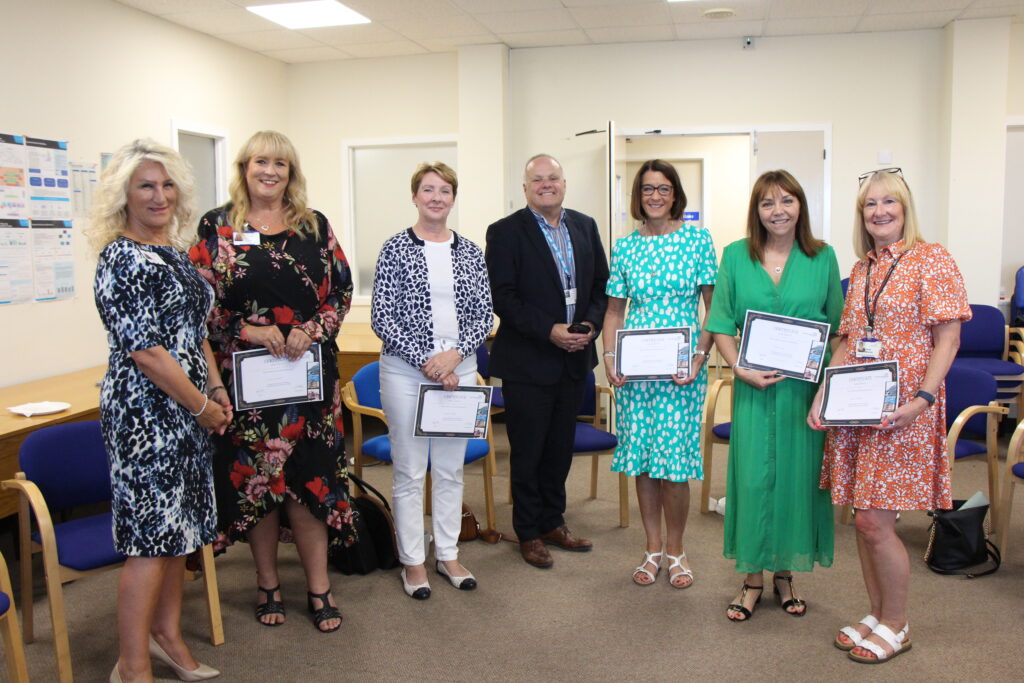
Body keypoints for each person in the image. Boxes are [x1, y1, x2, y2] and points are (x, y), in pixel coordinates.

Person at [188, 130, 355, 634]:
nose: (270, 171)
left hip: (308, 384)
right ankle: (267, 585)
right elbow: (201, 302)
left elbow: (341, 291)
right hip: (247, 385)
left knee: (309, 482)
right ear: (244, 167)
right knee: (259, 487)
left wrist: (311, 329)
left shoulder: (314, 225)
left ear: (291, 172)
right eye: (261, 161)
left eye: (281, 164)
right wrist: (249, 330)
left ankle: (319, 587)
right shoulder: (218, 227)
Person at [808, 168, 969, 663]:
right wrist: (822, 397)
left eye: (888, 202)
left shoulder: (931, 259)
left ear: (905, 208)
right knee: (863, 521)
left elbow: (949, 338)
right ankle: (876, 614)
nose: (879, 212)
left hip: (904, 412)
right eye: (869, 205)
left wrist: (921, 399)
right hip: (858, 411)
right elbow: (849, 342)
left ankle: (897, 625)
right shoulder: (862, 270)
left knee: (878, 523)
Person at [88, 139, 229, 682]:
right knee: (151, 540)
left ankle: (168, 637)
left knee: (180, 534)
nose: (159, 195)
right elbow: (146, 350)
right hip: (147, 418)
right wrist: (199, 406)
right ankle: (133, 664)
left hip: (190, 411)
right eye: (146, 185)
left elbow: (195, 335)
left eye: (167, 185)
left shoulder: (172, 252)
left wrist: (215, 390)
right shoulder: (121, 257)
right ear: (123, 194)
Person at [707, 170, 843, 621]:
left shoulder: (823, 258)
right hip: (753, 390)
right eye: (768, 203)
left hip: (804, 392)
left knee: (797, 480)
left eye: (786, 201)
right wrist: (739, 369)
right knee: (751, 480)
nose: (778, 210)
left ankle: (785, 574)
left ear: (800, 206)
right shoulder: (734, 256)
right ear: (757, 211)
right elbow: (722, 323)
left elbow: (838, 328)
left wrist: (825, 382)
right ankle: (751, 579)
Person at [371, 162, 493, 599]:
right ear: (415, 196)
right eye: (428, 189)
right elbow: (381, 317)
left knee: (448, 468)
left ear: (453, 198)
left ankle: (447, 553)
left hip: (459, 371)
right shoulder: (394, 248)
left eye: (444, 190)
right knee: (408, 470)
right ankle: (413, 562)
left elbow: (484, 314)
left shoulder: (470, 251)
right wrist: (428, 360)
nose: (436, 197)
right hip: (407, 371)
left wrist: (456, 356)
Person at [485, 153, 609, 568]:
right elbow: (503, 296)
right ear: (525, 189)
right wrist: (550, 330)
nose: (546, 185)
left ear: (564, 183)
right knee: (528, 449)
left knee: (559, 448)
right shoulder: (504, 232)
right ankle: (528, 531)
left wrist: (589, 324)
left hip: (575, 358)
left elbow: (600, 286)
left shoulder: (585, 225)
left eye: (552, 178)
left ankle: (553, 521)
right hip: (528, 360)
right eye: (537, 180)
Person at [601, 159, 716, 589]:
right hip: (636, 371)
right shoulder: (626, 247)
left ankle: (677, 549)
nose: (655, 196)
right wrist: (610, 359)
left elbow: (714, 307)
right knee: (644, 462)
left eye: (663, 188)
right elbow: (614, 310)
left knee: (674, 465)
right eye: (647, 188)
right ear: (638, 195)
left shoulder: (698, 240)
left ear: (675, 194)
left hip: (681, 369)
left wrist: (701, 357)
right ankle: (651, 548)